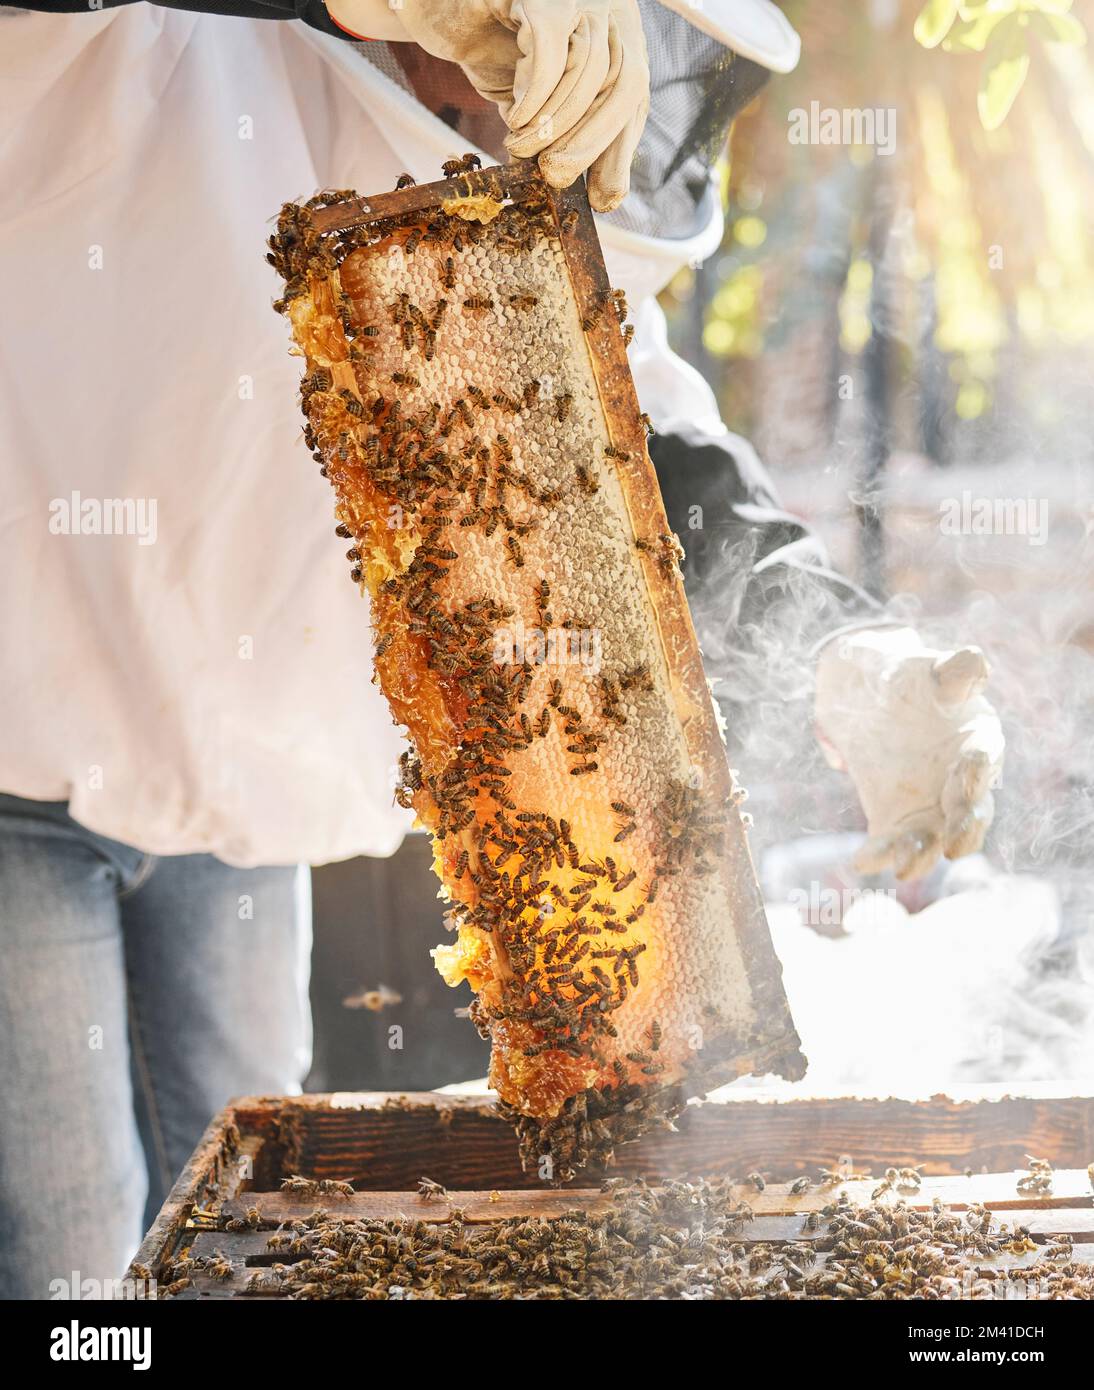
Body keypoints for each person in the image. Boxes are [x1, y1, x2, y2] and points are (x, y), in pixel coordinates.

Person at [0, 0, 1003, 1299]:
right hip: (18, 761)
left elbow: (639, 456)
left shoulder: (498, 223)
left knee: (242, 1244)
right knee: (69, 1268)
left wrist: (838, 651)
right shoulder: (177, 44)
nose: (503, 87)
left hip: (233, 808)